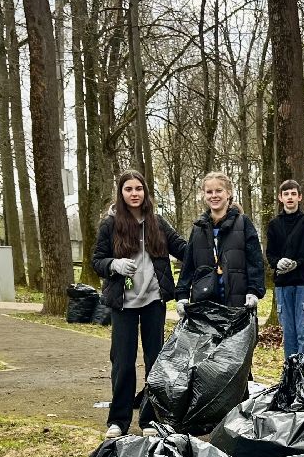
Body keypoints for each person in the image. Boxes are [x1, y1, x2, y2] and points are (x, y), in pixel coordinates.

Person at [90, 169, 187, 439]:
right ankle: (119, 420)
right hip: (123, 304)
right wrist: (114, 264)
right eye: (128, 189)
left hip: (153, 301)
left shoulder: (157, 222)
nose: (134, 194)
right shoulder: (110, 224)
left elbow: (182, 248)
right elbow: (96, 261)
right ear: (121, 194)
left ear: (145, 192)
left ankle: (150, 419)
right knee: (122, 361)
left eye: (139, 189)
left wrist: (212, 250)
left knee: (155, 361)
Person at [176, 171, 265, 318]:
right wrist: (182, 295)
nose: (214, 195)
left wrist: (254, 291)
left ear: (228, 193)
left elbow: (255, 261)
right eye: (209, 192)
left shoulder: (243, 223)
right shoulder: (198, 229)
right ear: (204, 195)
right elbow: (188, 265)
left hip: (238, 303)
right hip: (204, 304)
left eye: (219, 190)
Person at [265, 179, 304, 368]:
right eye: (286, 194)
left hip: (303, 285)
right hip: (282, 287)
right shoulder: (274, 225)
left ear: (300, 197)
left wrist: (297, 264)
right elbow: (269, 254)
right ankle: (291, 378)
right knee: (288, 336)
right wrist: (277, 262)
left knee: (303, 335)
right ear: (280, 198)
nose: (290, 197)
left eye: (293, 194)